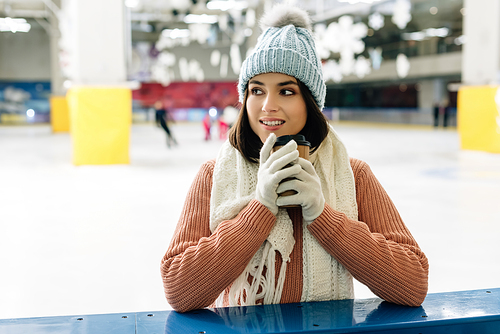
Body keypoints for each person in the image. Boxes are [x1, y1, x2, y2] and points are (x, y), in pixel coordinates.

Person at [160, 5, 428, 313]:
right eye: (256, 91)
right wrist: (259, 209)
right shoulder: (213, 175)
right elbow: (179, 290)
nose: (267, 106)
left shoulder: (354, 176)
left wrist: (323, 216)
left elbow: (413, 283)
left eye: (286, 91)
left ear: (310, 101)